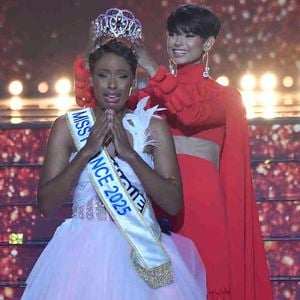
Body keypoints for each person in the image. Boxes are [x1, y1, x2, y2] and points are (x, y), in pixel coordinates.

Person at [73, 4, 273, 300]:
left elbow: (190, 114)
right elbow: (93, 101)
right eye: (173, 34)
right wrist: (92, 51)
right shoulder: (149, 96)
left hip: (200, 206)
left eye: (189, 35)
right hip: (156, 198)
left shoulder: (225, 97)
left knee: (205, 284)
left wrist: (152, 66)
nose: (178, 42)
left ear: (207, 43)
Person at [21, 9, 207, 300]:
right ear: (91, 79)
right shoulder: (68, 127)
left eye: (121, 76)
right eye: (103, 75)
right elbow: (47, 203)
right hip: (77, 255)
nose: (112, 84)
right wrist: (86, 152)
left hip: (140, 251)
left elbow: (172, 203)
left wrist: (131, 155)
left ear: (133, 81)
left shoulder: (154, 128)